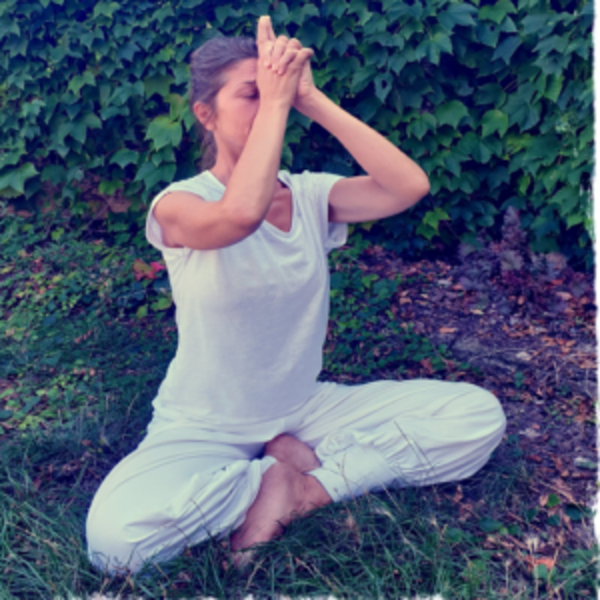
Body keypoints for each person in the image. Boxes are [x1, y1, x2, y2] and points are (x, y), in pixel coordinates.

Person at [86, 15, 506, 574]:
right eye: (252, 93)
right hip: (205, 425)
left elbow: (409, 186)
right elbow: (240, 215)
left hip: (302, 410)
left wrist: (311, 99)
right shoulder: (179, 203)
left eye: (273, 92)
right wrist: (279, 101)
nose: (269, 103)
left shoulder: (309, 195)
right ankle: (267, 476)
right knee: (115, 545)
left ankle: (307, 488)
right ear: (206, 114)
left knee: (477, 417)